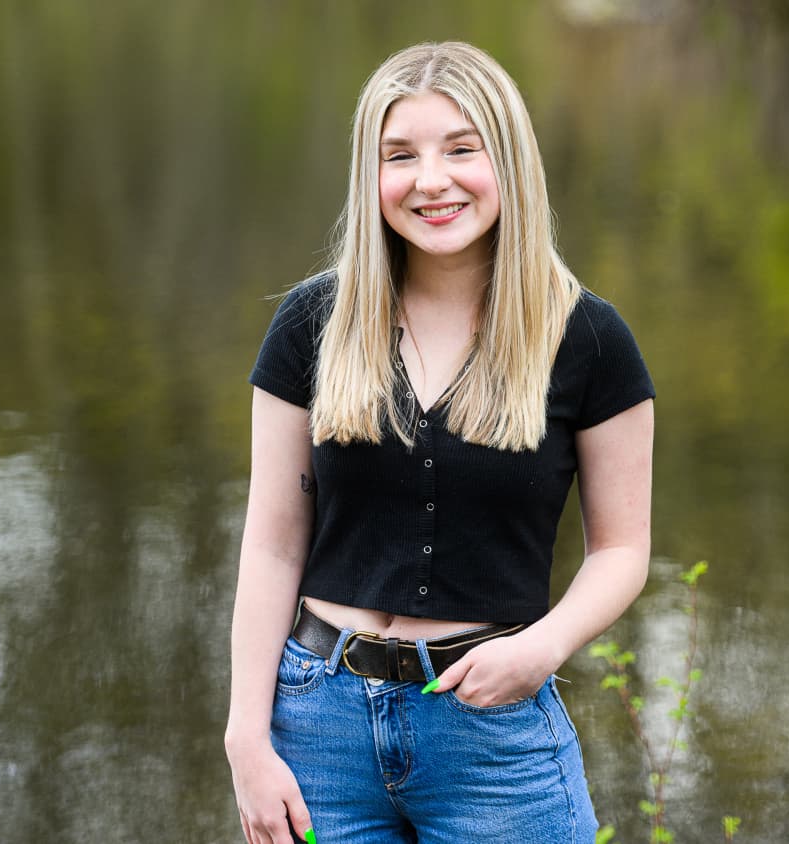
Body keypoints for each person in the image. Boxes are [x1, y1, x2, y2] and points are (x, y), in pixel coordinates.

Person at [224, 41, 655, 844]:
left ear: (510, 161)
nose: (431, 180)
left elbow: (623, 550)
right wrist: (247, 735)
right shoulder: (310, 326)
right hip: (317, 732)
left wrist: (544, 646)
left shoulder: (590, 340)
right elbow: (272, 546)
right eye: (401, 155)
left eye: (462, 148)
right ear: (370, 174)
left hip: (492, 732)